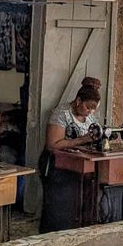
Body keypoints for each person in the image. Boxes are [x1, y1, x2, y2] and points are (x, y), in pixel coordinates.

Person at [39, 77, 102, 233]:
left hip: (78, 165)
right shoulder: (61, 113)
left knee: (82, 202)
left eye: (93, 109)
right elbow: (52, 145)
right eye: (88, 107)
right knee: (60, 208)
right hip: (57, 166)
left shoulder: (90, 117)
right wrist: (82, 140)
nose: (90, 112)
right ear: (78, 100)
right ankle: (55, 236)